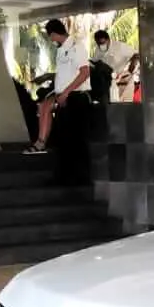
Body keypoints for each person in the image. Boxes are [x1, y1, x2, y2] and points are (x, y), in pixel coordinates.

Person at [35, 19, 92, 185]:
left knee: (77, 140)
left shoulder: (76, 46)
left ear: (54, 33)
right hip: (63, 98)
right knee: (63, 138)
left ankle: (81, 178)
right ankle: (64, 176)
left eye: (50, 36)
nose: (51, 40)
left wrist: (66, 93)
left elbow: (84, 72)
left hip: (76, 97)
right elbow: (65, 74)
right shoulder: (60, 50)